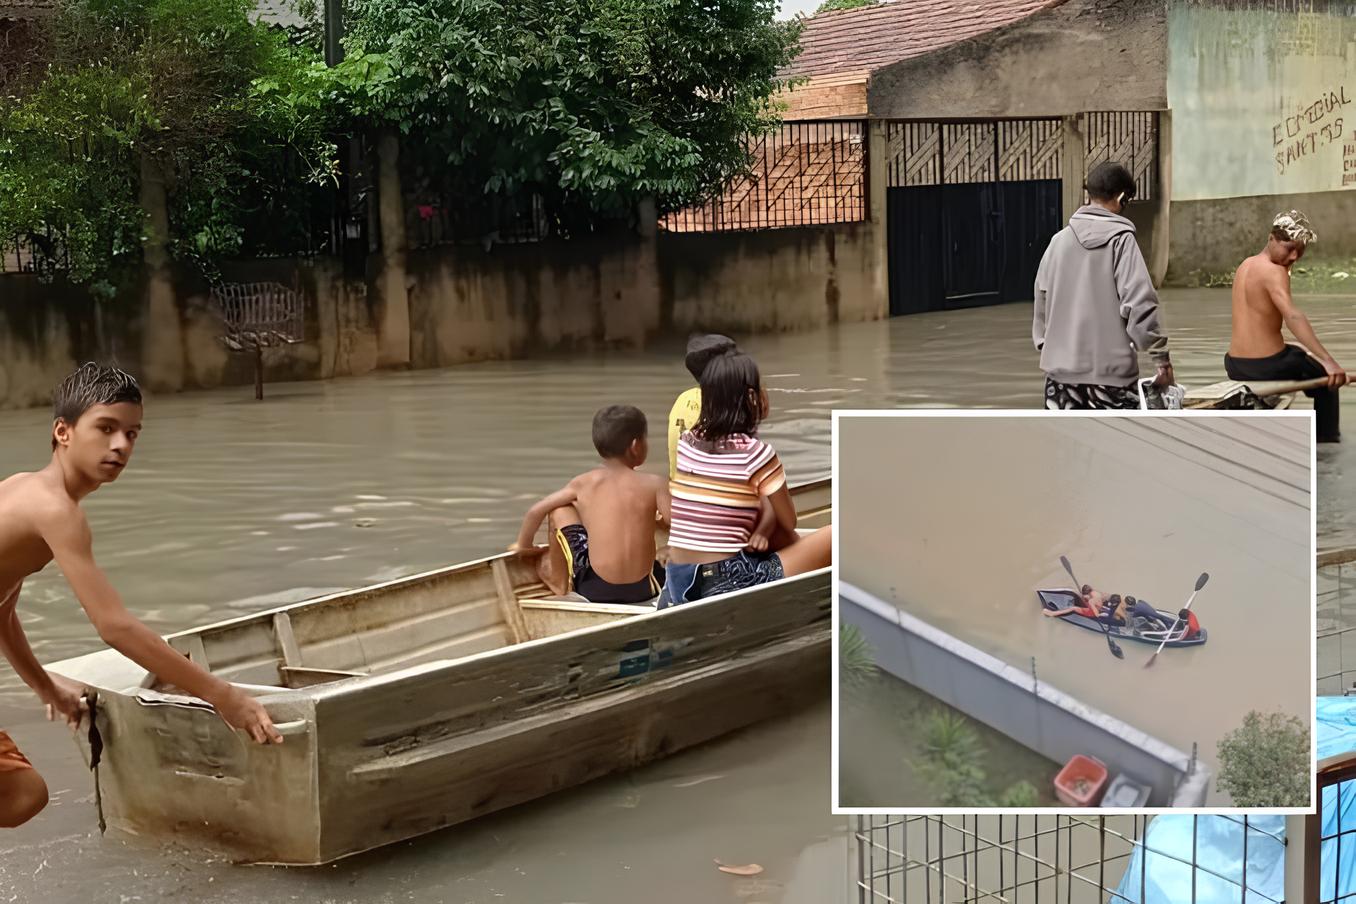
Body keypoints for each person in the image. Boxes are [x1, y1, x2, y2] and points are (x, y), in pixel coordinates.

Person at [0, 363, 282, 829]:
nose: (120, 445)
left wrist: (45, 686)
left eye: (132, 433)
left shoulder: (22, 489)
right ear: (63, 431)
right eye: (106, 428)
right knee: (21, 795)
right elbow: (114, 626)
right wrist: (222, 695)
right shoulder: (56, 511)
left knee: (20, 794)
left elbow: (2, 611)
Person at [662, 352, 831, 606]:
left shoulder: (687, 442)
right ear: (752, 398)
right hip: (727, 580)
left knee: (767, 530)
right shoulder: (757, 454)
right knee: (838, 534)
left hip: (680, 580)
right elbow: (788, 521)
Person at [1033, 161, 1173, 409]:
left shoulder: (1057, 242)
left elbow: (1042, 301)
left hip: (1060, 378)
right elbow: (1140, 303)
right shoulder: (1122, 241)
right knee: (1116, 446)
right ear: (1121, 197)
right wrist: (1161, 359)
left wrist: (1050, 348)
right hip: (1112, 380)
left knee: (1065, 445)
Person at [509, 405, 668, 604]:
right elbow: (678, 525)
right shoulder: (655, 484)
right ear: (636, 445)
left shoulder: (584, 483)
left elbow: (535, 511)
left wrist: (525, 547)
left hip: (594, 589)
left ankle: (559, 581)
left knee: (559, 510)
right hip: (642, 590)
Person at [1225, 210, 1347, 442]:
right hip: (1267, 366)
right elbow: (1292, 316)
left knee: (1296, 352)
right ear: (1272, 238)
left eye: (1300, 251)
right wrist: (1329, 362)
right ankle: (1327, 443)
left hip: (1234, 363)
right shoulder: (1275, 272)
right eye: (1289, 248)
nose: (1293, 257)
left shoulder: (1245, 265)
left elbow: (1258, 324)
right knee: (1327, 380)